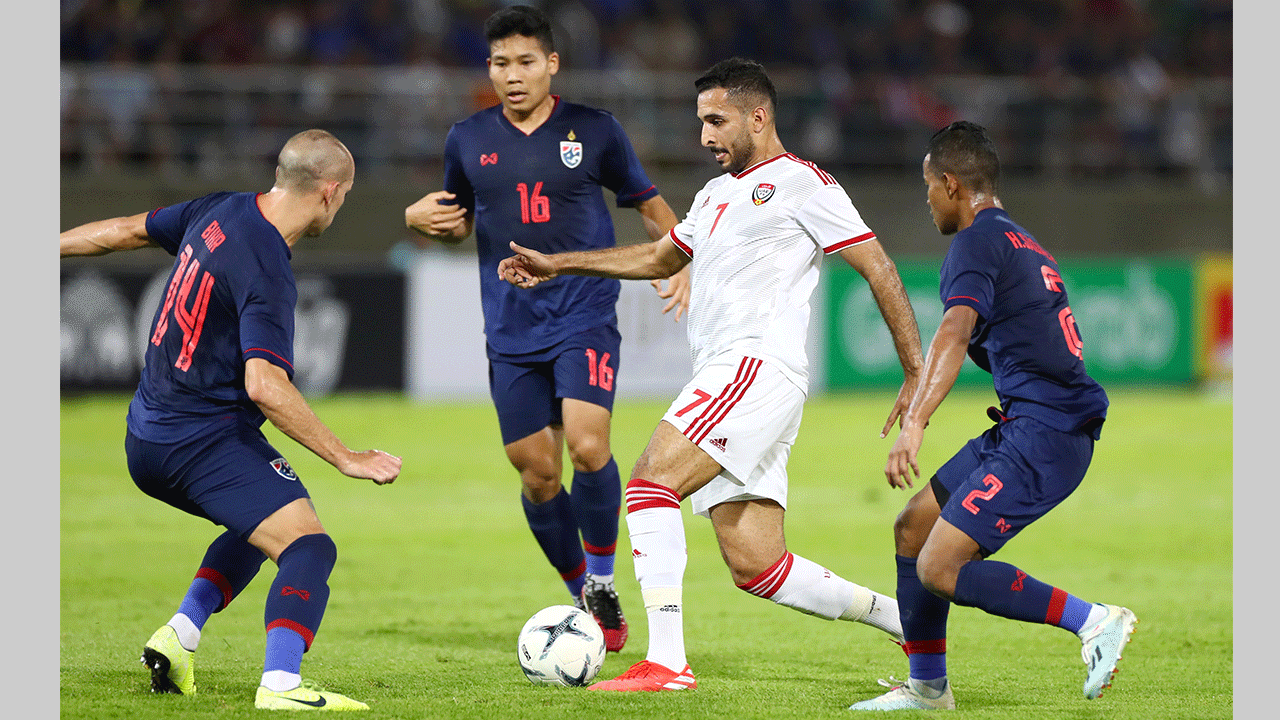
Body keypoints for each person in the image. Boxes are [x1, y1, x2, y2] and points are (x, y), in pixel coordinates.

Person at [498, 57, 924, 692]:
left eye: (717, 121)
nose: (704, 137)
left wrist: (915, 369)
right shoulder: (715, 193)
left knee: (648, 483)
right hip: (738, 376)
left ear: (759, 117)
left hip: (756, 366)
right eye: (701, 122)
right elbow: (659, 255)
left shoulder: (805, 184)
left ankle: (667, 663)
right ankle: (905, 619)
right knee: (757, 565)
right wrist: (559, 264)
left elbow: (878, 265)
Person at [60, 129, 402, 711]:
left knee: (260, 524)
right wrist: (347, 457)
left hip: (147, 433)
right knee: (309, 549)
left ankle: (180, 635)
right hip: (200, 440)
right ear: (329, 192)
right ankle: (282, 686)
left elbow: (123, 232)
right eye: (342, 198)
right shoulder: (269, 265)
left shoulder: (220, 208)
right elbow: (265, 385)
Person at [403, 4, 688, 653]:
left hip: (582, 313)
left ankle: (606, 580)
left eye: (525, 61)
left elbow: (647, 203)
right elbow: (459, 224)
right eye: (500, 62)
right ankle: (581, 589)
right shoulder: (467, 139)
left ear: (551, 64)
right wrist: (419, 220)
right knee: (536, 472)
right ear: (490, 68)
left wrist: (680, 261)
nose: (512, 74)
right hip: (509, 326)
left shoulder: (594, 130)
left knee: (589, 446)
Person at [848, 121, 1137, 711]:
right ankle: (928, 688)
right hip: (1029, 426)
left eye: (928, 187)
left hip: (1045, 434)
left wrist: (917, 422)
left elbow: (954, 333)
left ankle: (1094, 621)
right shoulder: (1021, 241)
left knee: (939, 567)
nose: (926, 200)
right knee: (912, 528)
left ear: (950, 184)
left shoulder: (976, 242)